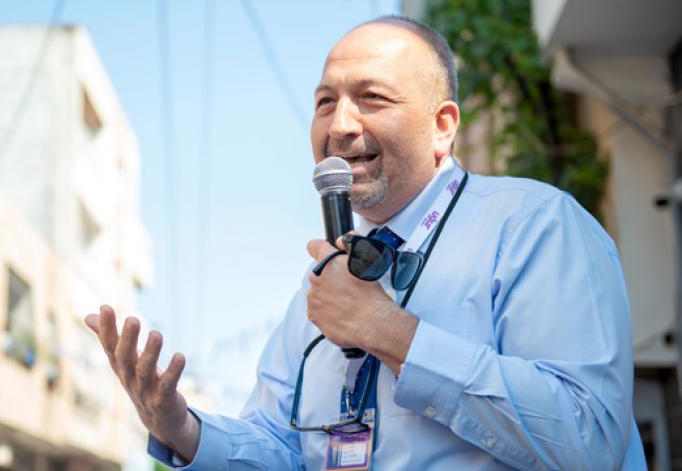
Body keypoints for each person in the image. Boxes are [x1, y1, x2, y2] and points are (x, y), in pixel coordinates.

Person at [84, 16, 647, 470]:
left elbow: (589, 438)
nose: (339, 126)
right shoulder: (323, 286)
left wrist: (389, 333)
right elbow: (283, 447)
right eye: (324, 102)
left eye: (371, 97)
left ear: (442, 126)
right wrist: (181, 428)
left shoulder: (533, 225)